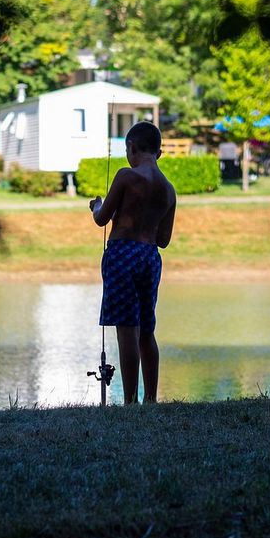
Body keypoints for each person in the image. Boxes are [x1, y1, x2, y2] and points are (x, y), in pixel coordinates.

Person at [89, 121, 177, 403]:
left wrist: (97, 205)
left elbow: (102, 219)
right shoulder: (169, 190)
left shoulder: (126, 176)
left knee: (127, 328)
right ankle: (150, 398)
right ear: (159, 153)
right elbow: (164, 240)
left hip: (121, 254)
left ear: (131, 147)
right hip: (150, 257)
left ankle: (129, 401)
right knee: (146, 330)